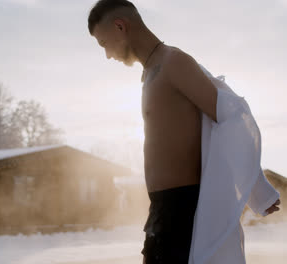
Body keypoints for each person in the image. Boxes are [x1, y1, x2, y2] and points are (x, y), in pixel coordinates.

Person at [87, 0, 281, 263]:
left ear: (120, 26)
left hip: (184, 208)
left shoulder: (174, 62)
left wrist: (258, 190)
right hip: (162, 210)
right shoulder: (150, 74)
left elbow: (230, 117)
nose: (107, 54)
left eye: (103, 44)